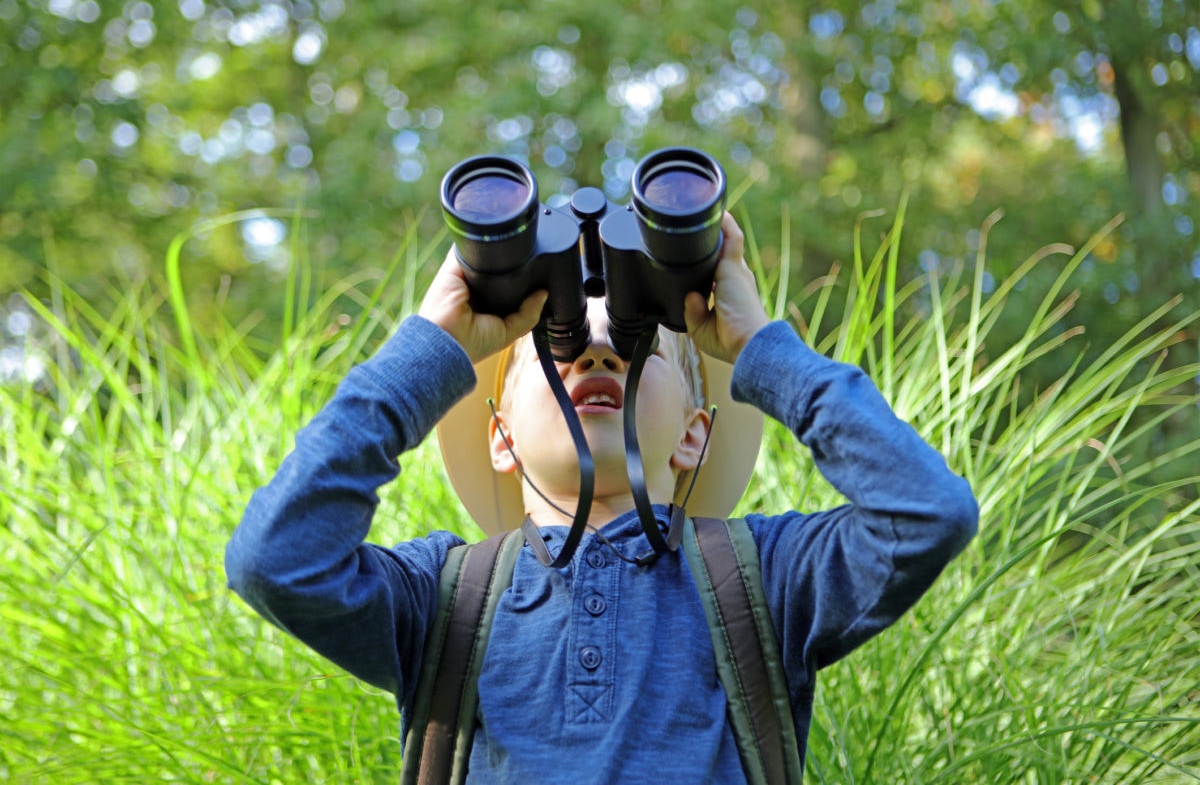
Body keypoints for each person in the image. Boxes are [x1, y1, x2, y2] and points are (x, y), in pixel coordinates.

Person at [226, 212, 978, 782]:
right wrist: (434, 348)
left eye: (636, 345)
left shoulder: (763, 582)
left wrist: (758, 350)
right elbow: (275, 559)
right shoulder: (442, 599)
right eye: (557, 350)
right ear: (502, 438)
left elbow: (925, 512)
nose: (597, 352)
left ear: (693, 436)